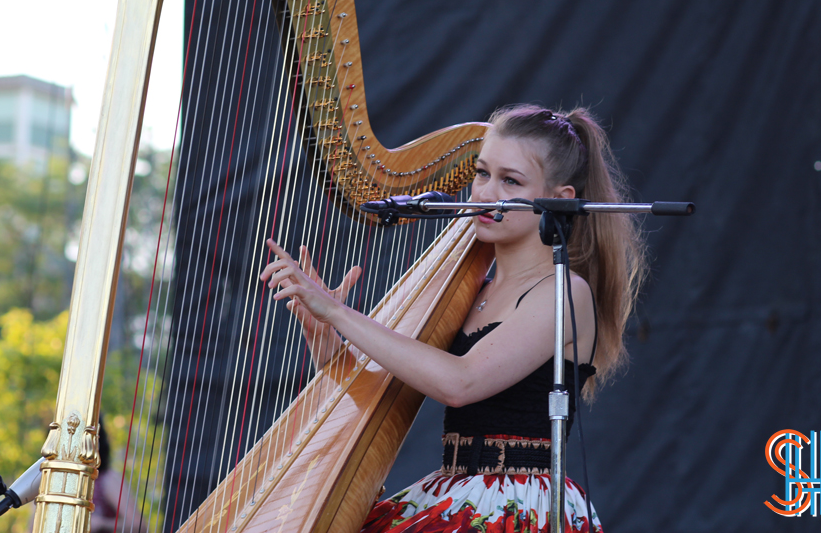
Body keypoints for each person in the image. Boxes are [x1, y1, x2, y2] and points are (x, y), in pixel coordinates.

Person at [260, 104, 646, 532]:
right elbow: (378, 390)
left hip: (517, 504)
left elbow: (460, 382)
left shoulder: (563, 291)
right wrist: (325, 335)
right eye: (482, 173)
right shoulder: (470, 290)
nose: (484, 193)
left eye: (510, 180)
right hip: (453, 488)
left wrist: (337, 311)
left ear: (559, 199)